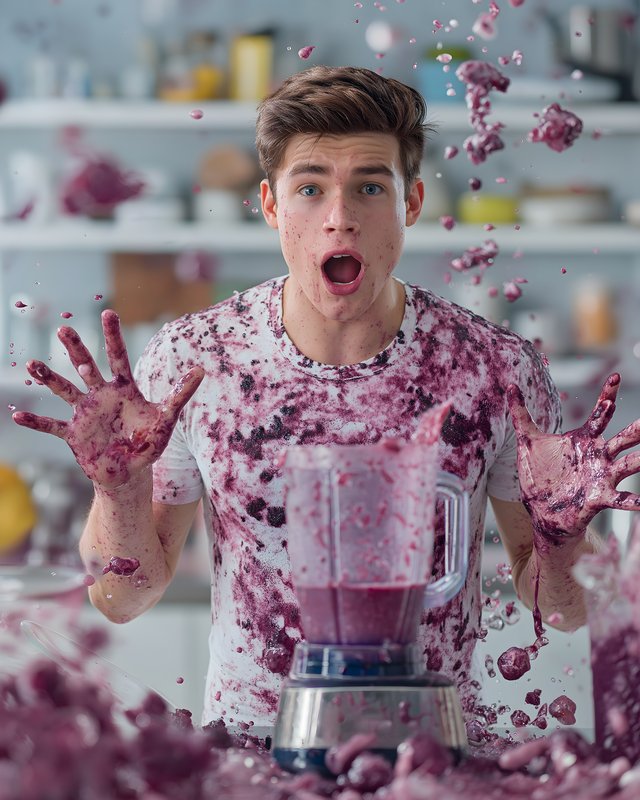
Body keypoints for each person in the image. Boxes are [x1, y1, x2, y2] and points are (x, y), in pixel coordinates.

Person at [12, 65, 613, 736]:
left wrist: (562, 539)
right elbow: (121, 599)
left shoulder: (497, 367)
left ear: (410, 204)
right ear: (271, 206)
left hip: (436, 747)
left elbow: (561, 611)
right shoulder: (193, 361)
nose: (339, 218)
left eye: (369, 187)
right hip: (253, 751)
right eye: (309, 189)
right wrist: (120, 491)